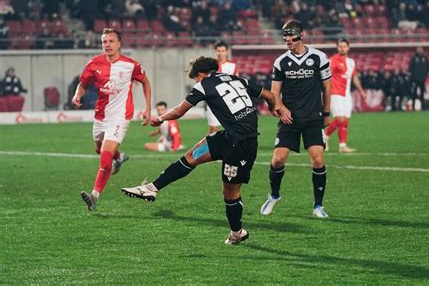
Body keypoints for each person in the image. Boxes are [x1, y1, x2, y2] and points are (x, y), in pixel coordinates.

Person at [121, 56, 276, 245]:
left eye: (195, 77)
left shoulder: (204, 84)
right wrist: (274, 108)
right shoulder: (237, 79)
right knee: (191, 156)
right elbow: (269, 95)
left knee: (231, 193)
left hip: (241, 145)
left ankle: (237, 232)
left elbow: (179, 111)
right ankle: (151, 189)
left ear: (201, 74)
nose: (196, 81)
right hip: (229, 137)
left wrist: (160, 119)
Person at [72, 28, 152, 211]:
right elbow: (83, 82)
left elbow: (145, 82)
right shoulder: (94, 63)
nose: (107, 44)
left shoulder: (131, 65)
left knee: (105, 157)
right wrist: (78, 94)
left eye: (111, 41)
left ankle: (94, 196)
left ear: (119, 44)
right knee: (98, 149)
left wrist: (148, 108)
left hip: (120, 117)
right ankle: (120, 157)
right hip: (101, 116)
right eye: (104, 42)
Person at [259, 20, 332, 219]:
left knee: (318, 160)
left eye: (290, 35)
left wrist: (326, 114)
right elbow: (275, 92)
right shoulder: (281, 61)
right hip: (290, 119)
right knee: (277, 159)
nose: (287, 40)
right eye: (284, 36)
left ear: (300, 35)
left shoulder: (319, 57)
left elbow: (327, 88)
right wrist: (281, 109)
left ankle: (318, 205)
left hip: (313, 118)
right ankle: (274, 196)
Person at [324, 39, 366, 153]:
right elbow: (327, 76)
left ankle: (342, 146)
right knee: (339, 118)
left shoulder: (351, 62)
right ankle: (324, 137)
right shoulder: (332, 60)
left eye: (344, 46)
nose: (342, 48)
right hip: (335, 93)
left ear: (348, 47)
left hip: (346, 94)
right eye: (340, 46)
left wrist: (361, 91)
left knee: (345, 121)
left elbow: (355, 78)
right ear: (337, 48)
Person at [204, 41, 240, 135]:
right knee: (213, 129)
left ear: (227, 52)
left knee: (231, 128)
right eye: (218, 51)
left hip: (228, 102)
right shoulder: (209, 66)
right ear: (215, 52)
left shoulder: (233, 66)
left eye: (223, 51)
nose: (221, 53)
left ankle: (230, 149)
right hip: (213, 101)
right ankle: (210, 149)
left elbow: (236, 83)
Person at [409, 46, 429, 111]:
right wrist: (413, 77)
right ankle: (413, 107)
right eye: (419, 49)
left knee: (422, 94)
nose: (420, 50)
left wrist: (425, 76)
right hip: (415, 80)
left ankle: (423, 107)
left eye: (421, 49)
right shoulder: (414, 58)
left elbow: (427, 68)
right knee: (414, 94)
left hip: (422, 79)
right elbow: (411, 68)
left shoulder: (425, 58)